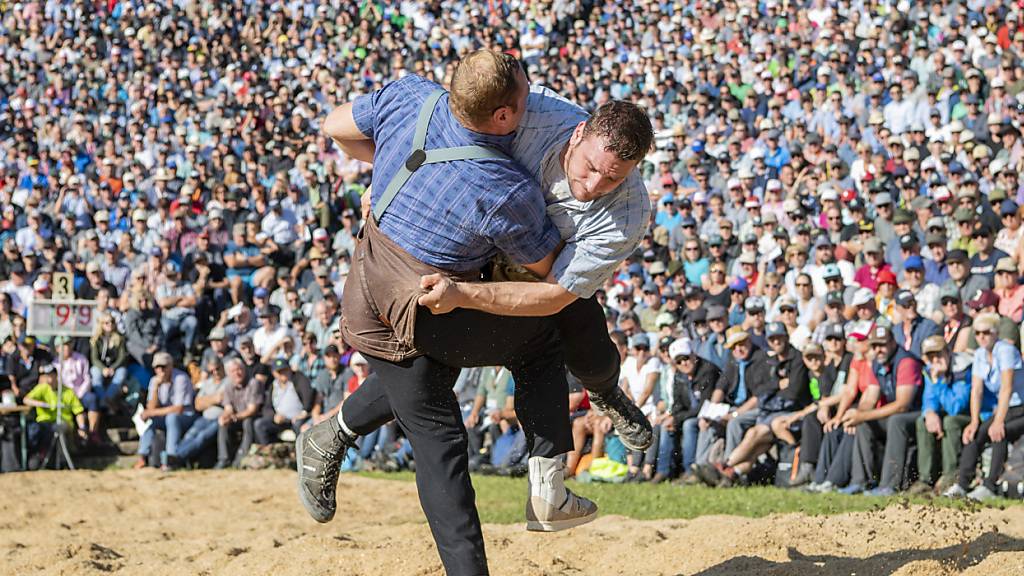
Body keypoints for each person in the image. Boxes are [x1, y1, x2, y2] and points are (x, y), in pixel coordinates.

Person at [298, 51, 652, 570]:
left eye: (612, 179)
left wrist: (395, 170)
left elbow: (333, 124)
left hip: (368, 283)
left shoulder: (411, 96)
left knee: (441, 436)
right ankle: (549, 489)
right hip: (424, 300)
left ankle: (331, 434)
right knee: (540, 342)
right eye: (593, 169)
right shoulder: (505, 187)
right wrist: (463, 295)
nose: (596, 186)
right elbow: (548, 287)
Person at [945, 314, 1024, 500]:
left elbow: (1007, 388)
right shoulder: (980, 354)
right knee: (974, 433)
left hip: (1019, 406)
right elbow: (976, 391)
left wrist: (997, 421)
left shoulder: (1006, 350)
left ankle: (990, 486)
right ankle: (962, 484)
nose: (981, 337)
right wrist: (973, 421)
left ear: (995, 333)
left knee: (999, 432)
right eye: (977, 333)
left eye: (986, 332)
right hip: (1007, 409)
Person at [911, 336, 971, 495]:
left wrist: (940, 382)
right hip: (951, 412)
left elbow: (956, 407)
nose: (935, 359)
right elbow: (929, 399)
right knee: (922, 421)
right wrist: (930, 413)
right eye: (931, 356)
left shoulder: (963, 368)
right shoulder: (931, 370)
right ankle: (925, 479)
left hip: (973, 416)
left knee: (950, 422)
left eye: (939, 354)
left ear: (948, 352)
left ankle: (950, 477)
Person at [135, 352, 196, 470]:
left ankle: (170, 458)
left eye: (163, 366)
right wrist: (156, 389)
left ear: (171, 366)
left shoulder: (180, 378)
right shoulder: (154, 381)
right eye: (157, 367)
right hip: (166, 416)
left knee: (171, 418)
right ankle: (142, 456)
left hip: (186, 416)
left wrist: (151, 413)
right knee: (151, 424)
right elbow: (151, 407)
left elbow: (178, 408)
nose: (160, 370)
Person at [22, 364, 87, 469]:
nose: (48, 379)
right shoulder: (42, 389)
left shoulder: (68, 392)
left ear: (56, 376)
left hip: (64, 422)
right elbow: (26, 400)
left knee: (59, 427)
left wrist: (82, 427)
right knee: (35, 430)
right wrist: (43, 404)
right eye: (46, 376)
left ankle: (62, 461)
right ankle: (39, 455)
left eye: (50, 376)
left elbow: (78, 411)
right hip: (44, 422)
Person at [176, 358, 227, 466]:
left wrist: (206, 400)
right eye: (211, 371)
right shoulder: (207, 383)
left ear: (223, 367)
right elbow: (198, 405)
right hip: (204, 418)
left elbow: (221, 398)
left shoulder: (228, 382)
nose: (215, 372)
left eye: (217, 369)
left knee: (202, 437)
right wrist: (213, 399)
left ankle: (177, 458)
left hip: (219, 418)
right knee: (189, 436)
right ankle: (177, 457)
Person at [217, 358, 262, 469]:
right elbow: (228, 408)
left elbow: (252, 410)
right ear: (228, 373)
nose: (237, 373)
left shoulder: (253, 383)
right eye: (233, 371)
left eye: (240, 369)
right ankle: (223, 459)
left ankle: (241, 459)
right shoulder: (228, 386)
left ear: (244, 369)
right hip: (236, 417)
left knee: (248, 422)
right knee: (223, 424)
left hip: (253, 416)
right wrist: (225, 417)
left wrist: (234, 417)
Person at [89, 312, 128, 413]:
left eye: (111, 322)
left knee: (122, 373)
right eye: (106, 323)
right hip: (102, 366)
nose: (110, 324)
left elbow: (121, 357)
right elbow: (94, 359)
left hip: (114, 366)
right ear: (101, 325)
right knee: (95, 373)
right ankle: (108, 402)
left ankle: (104, 401)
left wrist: (113, 368)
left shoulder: (119, 338)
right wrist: (103, 369)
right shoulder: (96, 339)